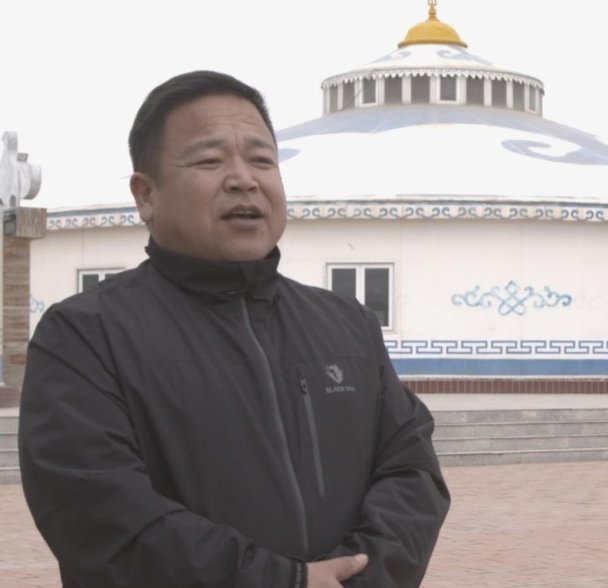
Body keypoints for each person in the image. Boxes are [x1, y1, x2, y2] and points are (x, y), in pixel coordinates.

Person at [19, 70, 450, 588]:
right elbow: (96, 512)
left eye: (262, 160)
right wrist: (283, 581)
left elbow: (411, 470)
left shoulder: (347, 325)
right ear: (146, 194)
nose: (244, 179)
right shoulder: (85, 336)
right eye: (210, 160)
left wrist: (360, 575)